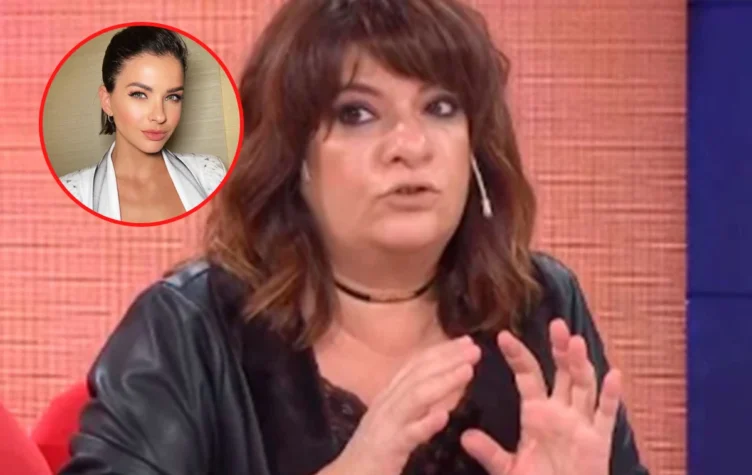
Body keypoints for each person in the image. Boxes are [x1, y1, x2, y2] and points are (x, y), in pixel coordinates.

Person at [61, 0, 649, 474]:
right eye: (356, 114)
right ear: (293, 157)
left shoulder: (540, 304)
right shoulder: (190, 326)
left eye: (441, 108)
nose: (410, 146)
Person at [59, 26, 226, 223]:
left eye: (173, 97)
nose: (159, 116)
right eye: (139, 94)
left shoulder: (210, 175)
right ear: (107, 101)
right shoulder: (71, 194)